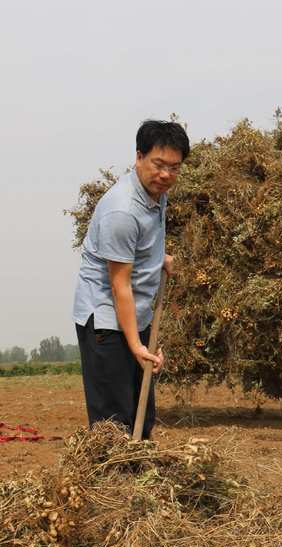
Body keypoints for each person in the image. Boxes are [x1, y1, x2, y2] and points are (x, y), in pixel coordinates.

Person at [72, 120, 189, 439]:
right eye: (159, 164)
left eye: (175, 168)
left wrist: (158, 259)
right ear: (139, 157)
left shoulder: (156, 193)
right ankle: (111, 486)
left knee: (142, 412)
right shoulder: (121, 211)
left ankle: (141, 478)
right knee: (115, 422)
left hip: (135, 314)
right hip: (107, 322)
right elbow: (119, 284)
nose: (166, 175)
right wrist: (136, 345)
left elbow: (140, 247)